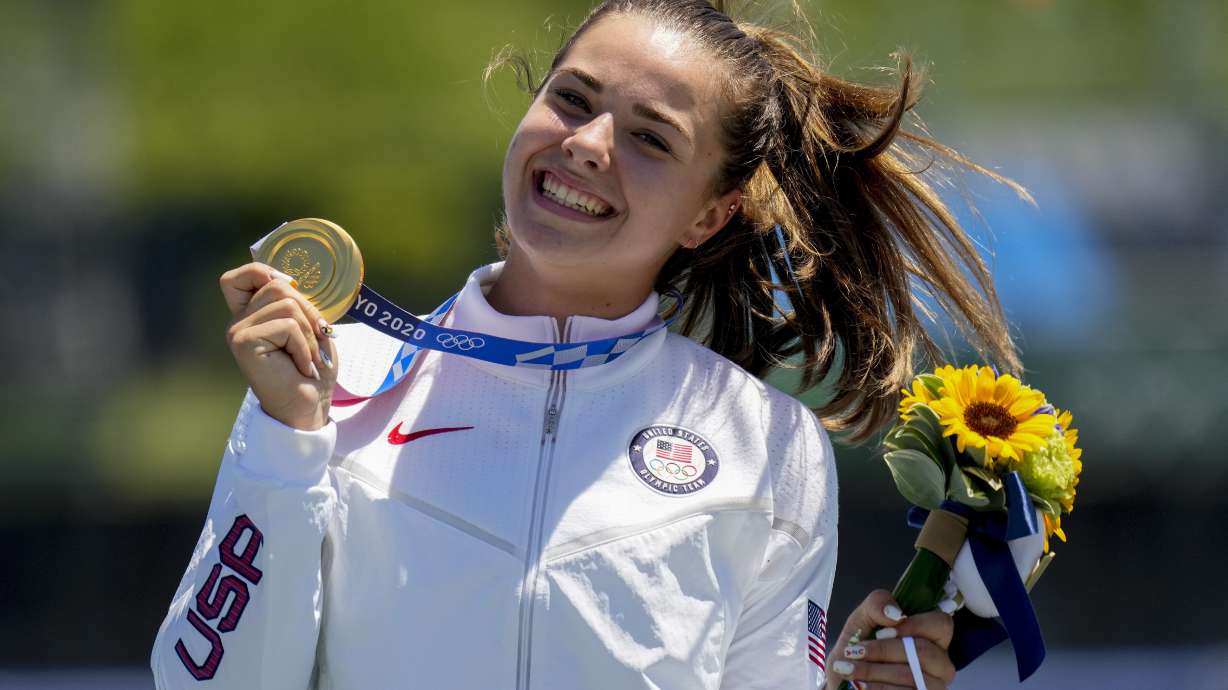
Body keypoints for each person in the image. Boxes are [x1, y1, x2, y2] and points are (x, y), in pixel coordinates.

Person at [151, 1, 1025, 688]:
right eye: (571, 98)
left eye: (651, 138)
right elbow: (205, 681)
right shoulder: (328, 384)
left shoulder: (768, 443)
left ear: (709, 214)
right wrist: (285, 445)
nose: (588, 144)